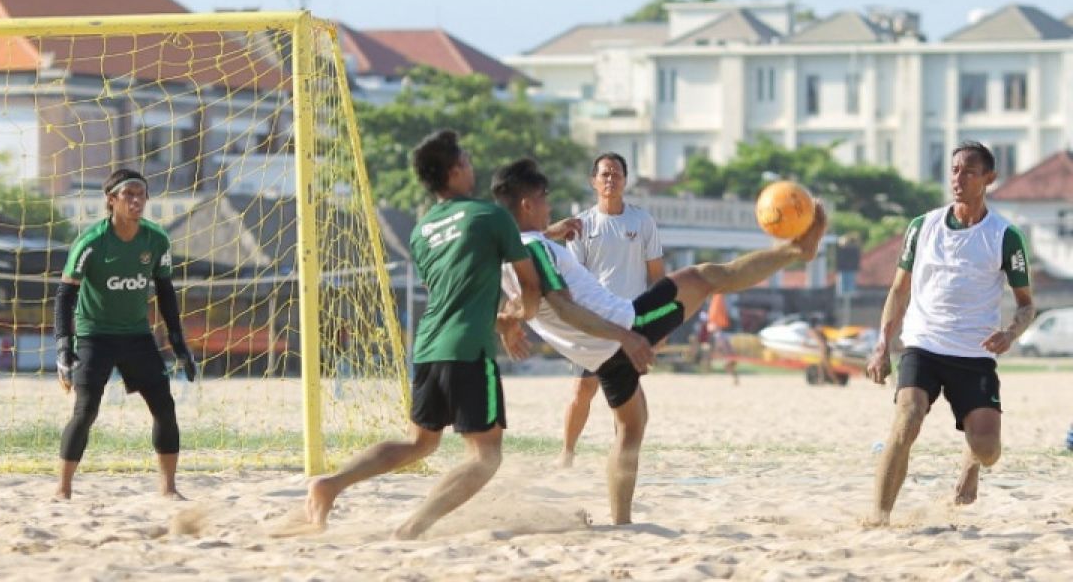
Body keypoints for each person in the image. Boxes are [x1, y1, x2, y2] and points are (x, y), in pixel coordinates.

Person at [494, 158, 827, 525]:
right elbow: (564, 306)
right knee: (707, 277)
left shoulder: (509, 257)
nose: (548, 205)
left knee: (632, 426)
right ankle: (797, 252)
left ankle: (621, 522)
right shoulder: (537, 251)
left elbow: (528, 297)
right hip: (625, 323)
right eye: (543, 198)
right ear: (527, 205)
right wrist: (628, 335)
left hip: (599, 352)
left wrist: (508, 320)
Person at [296, 129, 542, 539]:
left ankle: (330, 484)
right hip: (468, 350)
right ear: (455, 170)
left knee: (419, 444)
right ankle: (413, 526)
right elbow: (531, 287)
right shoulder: (490, 215)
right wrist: (516, 318)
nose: (472, 165)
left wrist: (499, 320)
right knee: (487, 457)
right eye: (465, 158)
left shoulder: (421, 230)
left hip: (428, 347)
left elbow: (456, 293)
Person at [866, 141, 1035, 524]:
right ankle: (878, 518)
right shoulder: (921, 226)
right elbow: (898, 290)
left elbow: (1027, 304)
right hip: (922, 344)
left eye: (969, 171)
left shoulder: (1006, 236)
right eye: (955, 170)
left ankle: (971, 463)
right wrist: (882, 344)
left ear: (988, 179)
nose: (958, 178)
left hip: (974, 353)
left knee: (988, 448)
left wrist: (1010, 333)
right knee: (907, 419)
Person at [54, 168, 197, 500]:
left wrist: (179, 345)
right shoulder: (91, 243)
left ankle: (169, 489)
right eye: (128, 194)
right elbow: (65, 295)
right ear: (111, 200)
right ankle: (62, 489)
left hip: (137, 336)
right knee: (86, 410)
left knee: (164, 406)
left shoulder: (156, 239)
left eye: (141, 194)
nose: (136, 200)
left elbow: (165, 293)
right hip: (94, 336)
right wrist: (63, 349)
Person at [559, 152, 664, 467]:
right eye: (604, 174)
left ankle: (622, 455)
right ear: (593, 181)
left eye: (616, 174)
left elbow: (657, 276)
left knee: (626, 393)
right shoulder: (583, 225)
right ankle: (567, 452)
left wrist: (661, 326)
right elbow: (573, 279)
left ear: (625, 180)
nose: (610, 179)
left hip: (631, 318)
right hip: (594, 320)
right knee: (583, 387)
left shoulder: (642, 221)